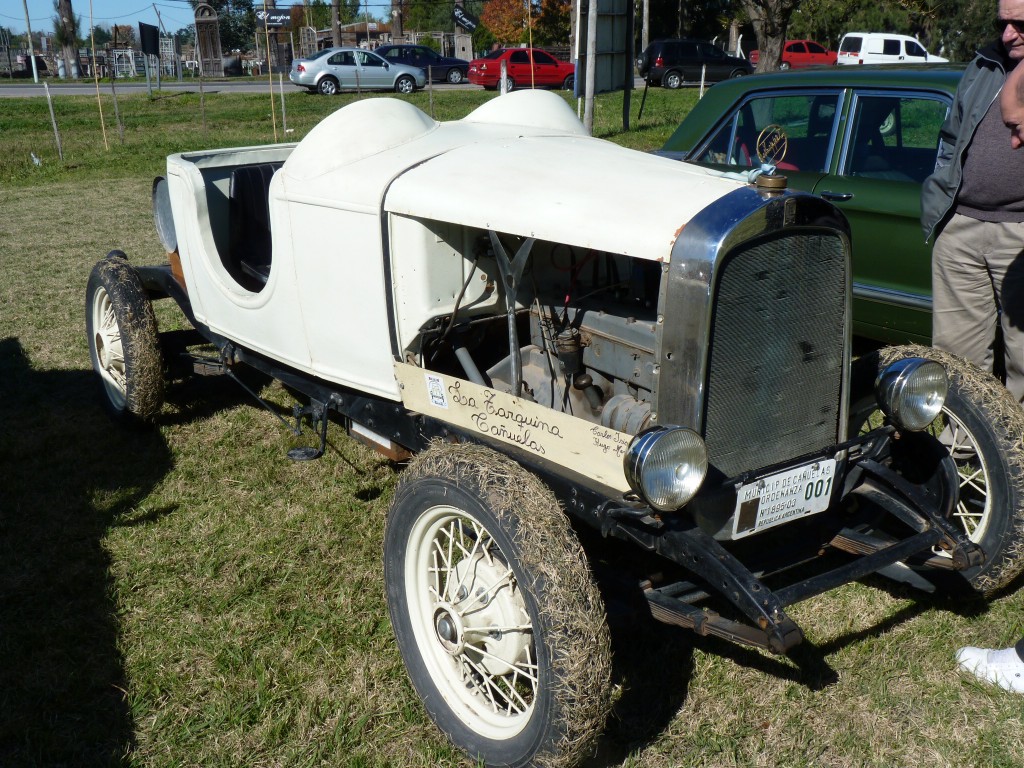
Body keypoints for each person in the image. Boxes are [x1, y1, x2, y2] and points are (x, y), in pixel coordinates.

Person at [954, 58, 1024, 697]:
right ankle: (970, 509)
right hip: (965, 228)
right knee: (961, 381)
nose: (1015, 140)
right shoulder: (985, 69)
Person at [920, 0, 1024, 403]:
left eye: (1020, 24)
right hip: (960, 225)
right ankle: (964, 453)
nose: (1007, 35)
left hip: (1019, 233)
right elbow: (951, 136)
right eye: (1003, 23)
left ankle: (1014, 459)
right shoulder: (983, 65)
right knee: (955, 358)